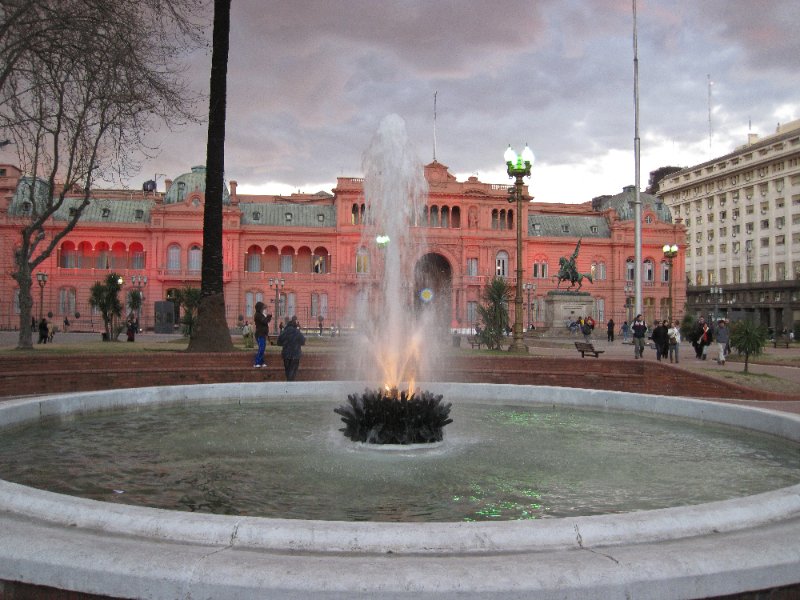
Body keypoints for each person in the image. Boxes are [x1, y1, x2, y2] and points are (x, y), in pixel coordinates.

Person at [277, 315, 306, 381]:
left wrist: (285, 343)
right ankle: (291, 383)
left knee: (288, 370)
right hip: (295, 354)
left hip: (286, 354)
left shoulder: (284, 332)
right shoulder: (297, 332)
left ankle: (289, 382)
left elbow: (278, 342)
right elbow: (303, 341)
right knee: (293, 371)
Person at [252, 302, 270, 368]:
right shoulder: (258, 315)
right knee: (261, 348)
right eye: (262, 308)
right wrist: (268, 316)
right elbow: (264, 321)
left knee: (262, 348)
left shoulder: (261, 314)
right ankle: (257, 362)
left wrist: (269, 316)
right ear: (260, 308)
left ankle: (261, 362)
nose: (263, 309)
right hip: (260, 334)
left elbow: (266, 321)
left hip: (263, 334)